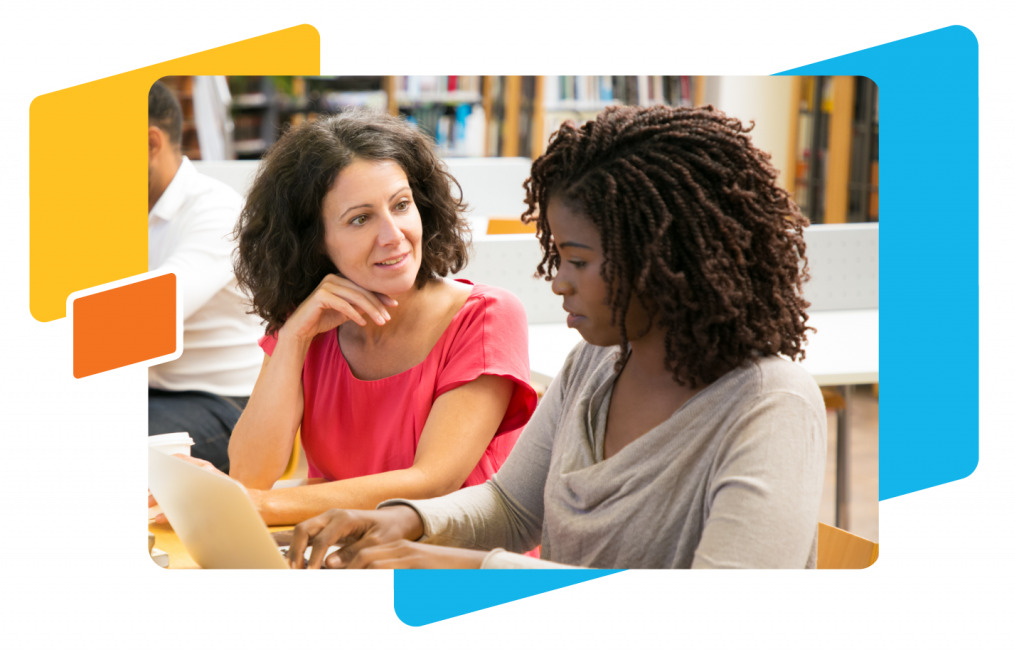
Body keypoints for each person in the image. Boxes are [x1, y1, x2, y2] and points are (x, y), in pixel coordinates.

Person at [286, 104, 829, 570]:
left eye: (578, 261)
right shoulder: (597, 363)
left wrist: (468, 566)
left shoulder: (770, 405)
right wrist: (404, 521)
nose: (559, 280)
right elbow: (513, 508)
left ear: (662, 262)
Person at [149, 107, 538, 529]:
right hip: (339, 548)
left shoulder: (485, 317)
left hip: (451, 564)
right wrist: (294, 336)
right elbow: (250, 472)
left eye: (401, 205)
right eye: (360, 219)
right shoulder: (306, 323)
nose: (393, 236)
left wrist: (256, 505)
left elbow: (432, 484)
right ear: (315, 242)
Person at [146, 80, 265, 471]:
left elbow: (148, 316)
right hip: (158, 394)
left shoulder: (216, 212)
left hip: (225, 403)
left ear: (150, 144)